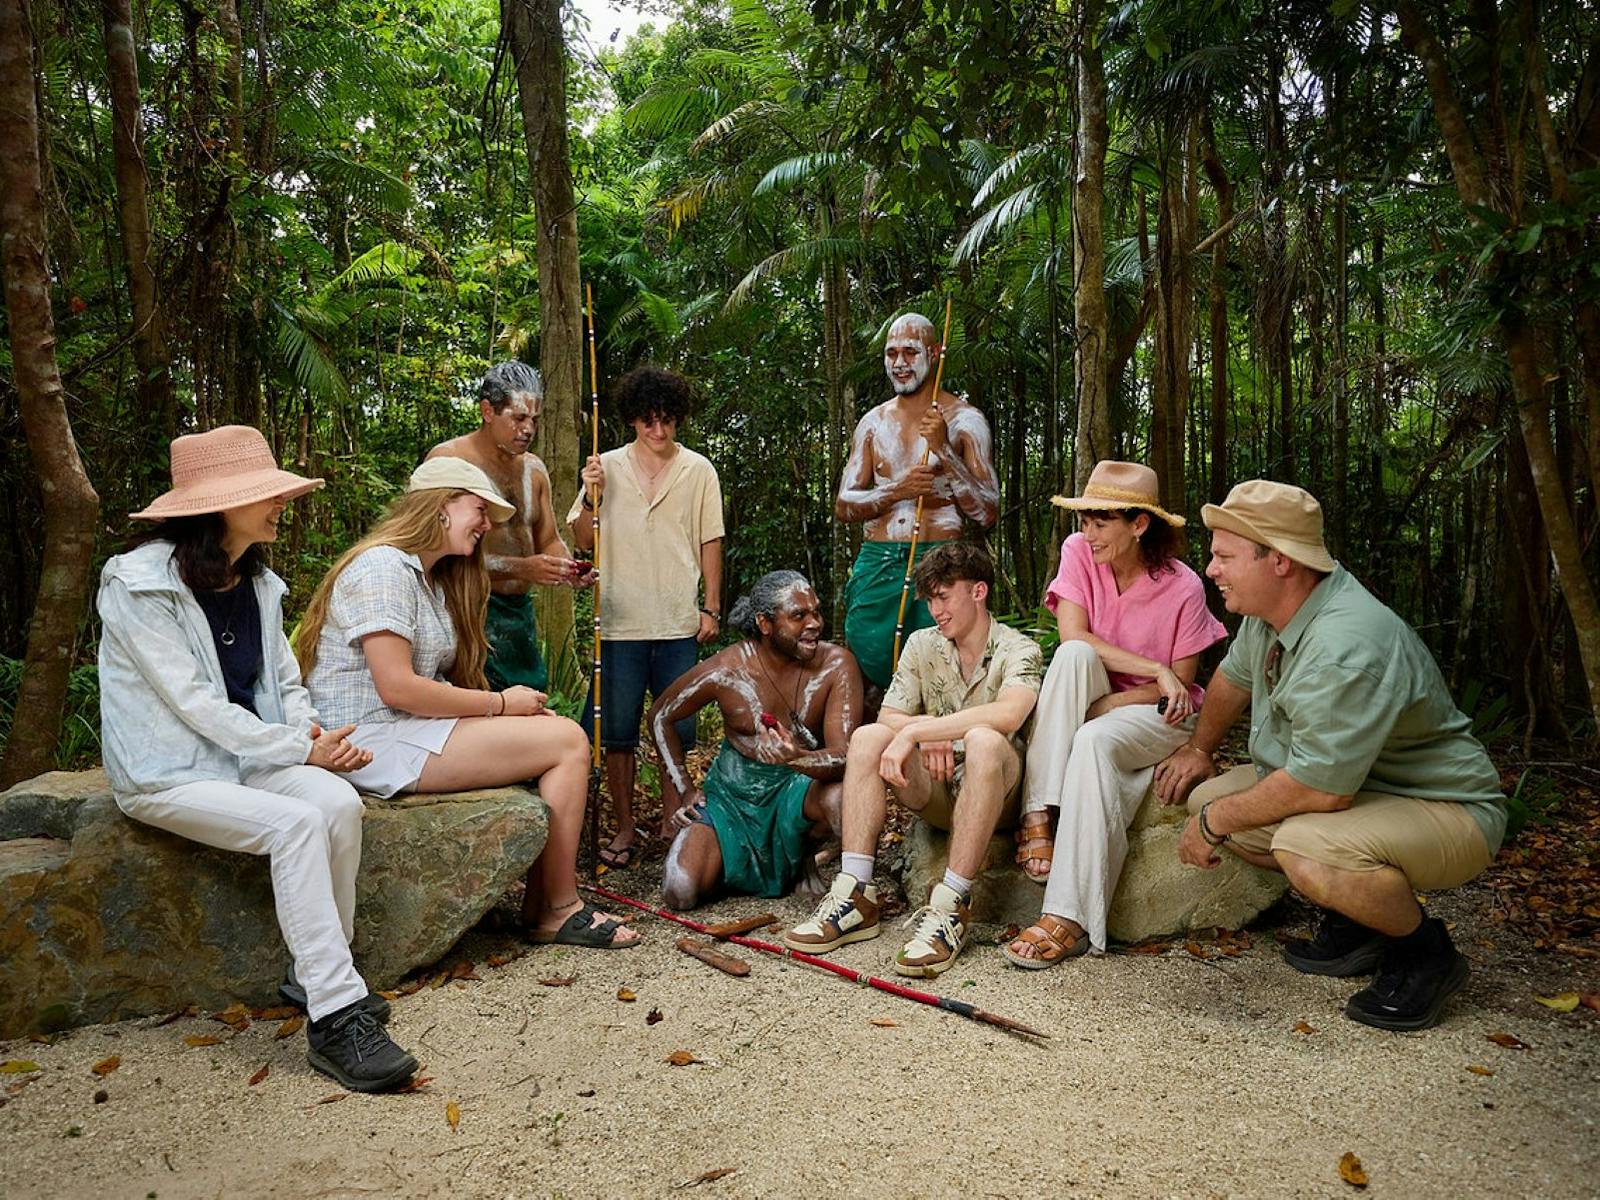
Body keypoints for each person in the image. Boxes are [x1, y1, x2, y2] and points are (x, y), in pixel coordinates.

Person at [98, 425, 418, 1093]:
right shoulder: (136, 585)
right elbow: (193, 705)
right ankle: (336, 1018)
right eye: (265, 495)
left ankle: (313, 976)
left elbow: (284, 683)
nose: (281, 505)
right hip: (169, 771)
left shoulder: (259, 584)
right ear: (215, 507)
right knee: (295, 824)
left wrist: (314, 741)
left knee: (335, 803)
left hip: (246, 760)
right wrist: (299, 747)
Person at [1153, 480, 1507, 1031]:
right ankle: (1360, 922)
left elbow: (1321, 790)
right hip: (1366, 787)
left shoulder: (1344, 644)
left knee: (1300, 844)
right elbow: (1233, 677)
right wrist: (1200, 748)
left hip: (1447, 806)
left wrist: (1212, 822)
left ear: (1280, 561)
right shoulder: (1274, 611)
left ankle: (1424, 953)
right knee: (1212, 795)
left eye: (1224, 556)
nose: (1211, 570)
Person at [296, 457, 638, 950]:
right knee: (565, 740)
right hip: (367, 739)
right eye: (478, 510)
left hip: (405, 730)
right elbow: (398, 688)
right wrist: (500, 704)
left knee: (551, 729)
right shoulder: (383, 567)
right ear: (439, 509)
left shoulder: (431, 578)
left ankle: (543, 903)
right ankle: (559, 909)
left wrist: (511, 710)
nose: (485, 526)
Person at [1003, 462, 1227, 968]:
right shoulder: (1079, 553)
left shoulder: (1184, 586)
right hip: (1095, 689)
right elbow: (1073, 638)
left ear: (1139, 523)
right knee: (1073, 657)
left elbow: (1176, 687)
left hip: (1158, 714)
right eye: (1084, 520)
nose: (1088, 532)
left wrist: (1104, 709)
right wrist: (1151, 667)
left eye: (1101, 521)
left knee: (1096, 740)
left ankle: (1070, 916)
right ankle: (1038, 813)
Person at [785, 542, 1041, 977]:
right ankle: (854, 896)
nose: (935, 609)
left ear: (978, 591)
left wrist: (926, 729)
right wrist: (922, 732)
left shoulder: (1018, 649)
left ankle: (950, 907)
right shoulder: (923, 645)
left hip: (998, 798)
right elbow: (890, 716)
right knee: (868, 737)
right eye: (930, 598)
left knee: (981, 739)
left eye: (944, 596)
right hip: (939, 794)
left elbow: (1010, 713)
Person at [569, 365, 725, 868]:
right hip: (618, 622)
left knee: (674, 732)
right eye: (648, 422)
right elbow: (582, 541)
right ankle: (625, 826)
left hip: (678, 619)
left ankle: (673, 819)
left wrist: (711, 606)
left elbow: (710, 540)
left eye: (668, 422)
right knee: (617, 733)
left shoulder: (698, 469)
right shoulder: (604, 466)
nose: (658, 432)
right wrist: (590, 494)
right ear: (633, 420)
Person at [646, 571, 863, 909]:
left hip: (799, 789)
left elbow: (848, 755)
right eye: (798, 616)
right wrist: (684, 789)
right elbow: (660, 716)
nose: (814, 623)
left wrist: (796, 757)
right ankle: (740, 865)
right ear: (764, 623)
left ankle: (831, 876)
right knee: (680, 889)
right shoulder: (727, 668)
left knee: (840, 799)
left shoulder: (836, 665)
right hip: (731, 798)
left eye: (816, 612)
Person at [835, 312, 999, 695]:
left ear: (934, 352)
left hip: (941, 555)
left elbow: (987, 510)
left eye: (910, 352)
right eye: (891, 353)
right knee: (870, 654)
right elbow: (844, 504)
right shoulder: (872, 423)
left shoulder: (964, 420)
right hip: (879, 557)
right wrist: (897, 491)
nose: (899, 363)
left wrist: (943, 448)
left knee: (940, 662)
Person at [427, 361, 594, 695]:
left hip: (519, 618)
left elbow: (547, 539)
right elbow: (433, 550)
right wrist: (524, 567)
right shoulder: (448, 462)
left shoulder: (533, 469)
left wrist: (567, 568)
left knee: (530, 703)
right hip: (466, 608)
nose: (529, 429)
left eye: (534, 420)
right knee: (481, 712)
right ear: (488, 411)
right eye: (518, 418)